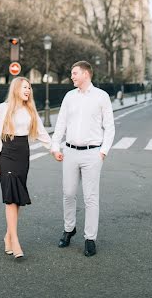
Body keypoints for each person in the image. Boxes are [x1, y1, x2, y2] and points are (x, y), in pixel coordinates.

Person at [51, 61, 115, 257]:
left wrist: (103, 152)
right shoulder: (69, 97)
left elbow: (109, 127)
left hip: (92, 153)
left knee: (90, 197)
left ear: (86, 74)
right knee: (68, 194)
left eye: (75, 73)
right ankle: (69, 229)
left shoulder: (101, 96)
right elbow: (61, 123)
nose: (72, 76)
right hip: (70, 151)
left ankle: (90, 238)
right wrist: (55, 146)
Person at [0, 76, 52, 259]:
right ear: (16, 88)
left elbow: (41, 133)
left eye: (29, 88)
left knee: (17, 197)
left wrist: (55, 150)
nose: (28, 90)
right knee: (10, 198)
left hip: (22, 154)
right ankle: (15, 240)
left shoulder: (30, 109)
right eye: (25, 87)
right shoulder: (3, 108)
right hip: (7, 153)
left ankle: (8, 236)